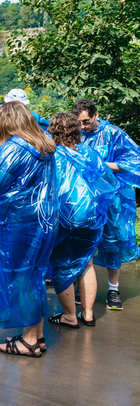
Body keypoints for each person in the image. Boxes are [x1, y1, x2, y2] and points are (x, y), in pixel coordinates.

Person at [0, 101, 57, 357]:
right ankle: (36, 335)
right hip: (43, 221)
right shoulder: (43, 145)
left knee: (20, 280)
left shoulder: (14, 147)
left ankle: (29, 342)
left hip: (19, 224)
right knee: (34, 277)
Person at [47, 112, 117, 329]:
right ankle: (87, 314)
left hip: (66, 219)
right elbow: (108, 182)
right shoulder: (89, 153)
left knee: (61, 266)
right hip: (92, 218)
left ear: (53, 131)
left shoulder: (53, 156)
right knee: (87, 264)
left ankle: (69, 316)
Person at [72, 98, 140, 310]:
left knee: (112, 243)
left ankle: (113, 289)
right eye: (79, 123)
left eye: (86, 121)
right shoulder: (76, 134)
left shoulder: (114, 134)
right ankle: (80, 286)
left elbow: (133, 162)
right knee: (82, 241)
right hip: (85, 198)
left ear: (96, 115)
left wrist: (102, 165)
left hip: (112, 199)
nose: (83, 126)